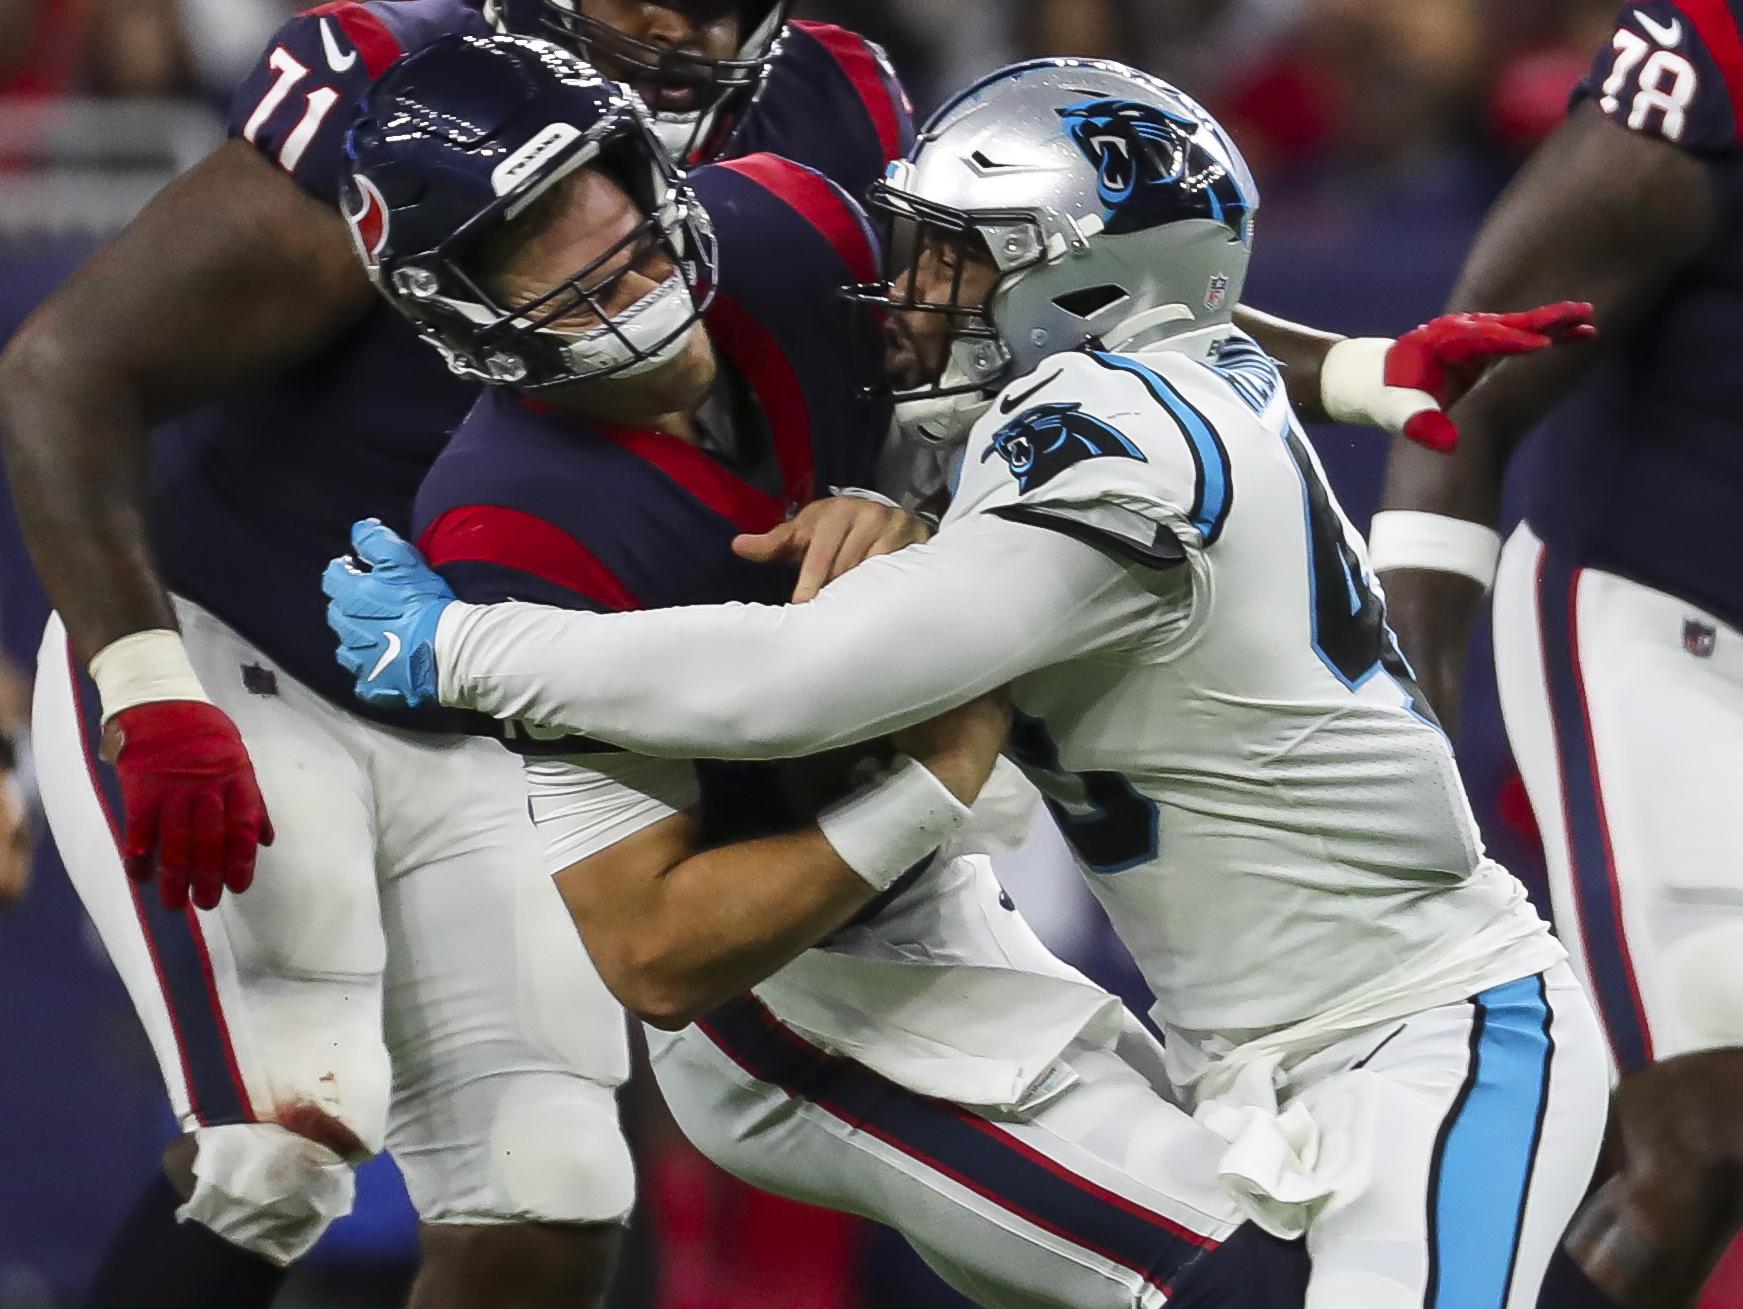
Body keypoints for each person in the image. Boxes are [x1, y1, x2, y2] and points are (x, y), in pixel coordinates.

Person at [328, 58, 1613, 1309]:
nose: (903, 293)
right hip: (815, 998)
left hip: (1398, 1020)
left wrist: (460, 650)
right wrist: (1347, 372)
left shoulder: (1077, 422)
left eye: (954, 257)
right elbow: (655, 954)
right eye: (529, 240)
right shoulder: (517, 519)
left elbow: (812, 674)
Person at [0, 2, 911, 1305]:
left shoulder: (838, 105)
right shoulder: (409, 98)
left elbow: (990, 348)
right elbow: (63, 368)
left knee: (547, 1196)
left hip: (493, 702)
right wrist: (149, 682)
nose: (669, 17)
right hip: (238, 653)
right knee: (278, 1140)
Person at [1369, 1, 1743, 1303]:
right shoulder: (1709, 81)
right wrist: (1396, 732)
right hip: (1659, 615)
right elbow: (1455, 389)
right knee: (1696, 1143)